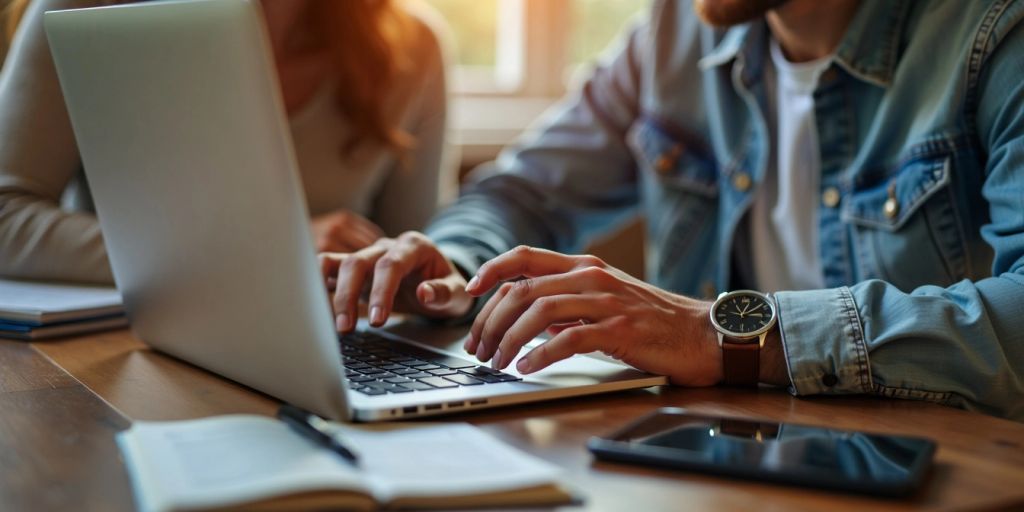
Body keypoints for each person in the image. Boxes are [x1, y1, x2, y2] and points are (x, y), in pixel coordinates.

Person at [321, 0, 1024, 422]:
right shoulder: (675, 30)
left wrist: (721, 335)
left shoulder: (997, 35)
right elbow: (520, 194)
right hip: (739, 455)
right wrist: (458, 265)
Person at [0, 0, 455, 283]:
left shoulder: (413, 46)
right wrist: (270, 250)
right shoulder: (87, 8)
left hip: (321, 353)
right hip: (116, 349)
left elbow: (413, 250)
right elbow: (6, 217)